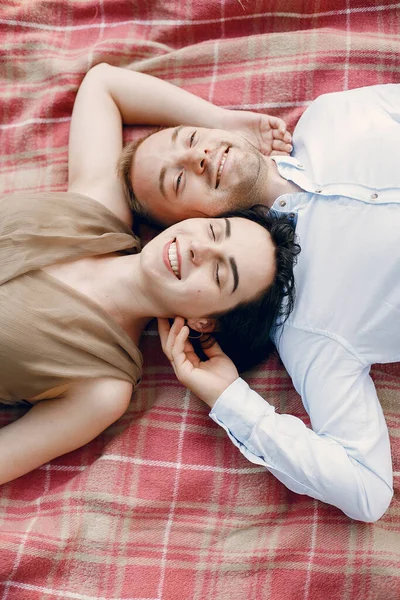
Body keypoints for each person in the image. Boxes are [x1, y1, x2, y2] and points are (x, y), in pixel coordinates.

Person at [0, 66, 299, 486]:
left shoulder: (101, 388)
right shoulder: (96, 210)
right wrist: (224, 121)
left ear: (204, 322)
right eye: (214, 230)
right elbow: (104, 84)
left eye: (219, 272)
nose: (199, 247)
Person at [124, 80, 400, 523]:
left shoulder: (330, 115)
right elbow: (367, 488)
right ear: (187, 228)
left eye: (191, 137)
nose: (198, 156)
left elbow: (107, 84)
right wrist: (231, 399)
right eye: (178, 180)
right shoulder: (308, 328)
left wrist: (224, 121)